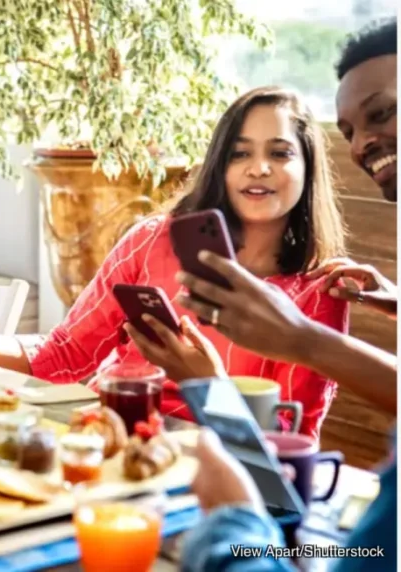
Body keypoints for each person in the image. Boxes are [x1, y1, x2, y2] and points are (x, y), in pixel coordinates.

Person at [0, 86, 348, 438]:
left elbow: (287, 444)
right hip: (109, 436)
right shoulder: (152, 241)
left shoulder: (319, 293)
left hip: (214, 471)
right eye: (239, 153)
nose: (258, 167)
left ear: (307, 168)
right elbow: (63, 355)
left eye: (280, 153)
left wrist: (207, 384)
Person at [177, 18, 397, 571]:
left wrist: (231, 520)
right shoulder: (151, 241)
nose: (363, 143)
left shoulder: (317, 290)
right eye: (347, 130)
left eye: (385, 111)